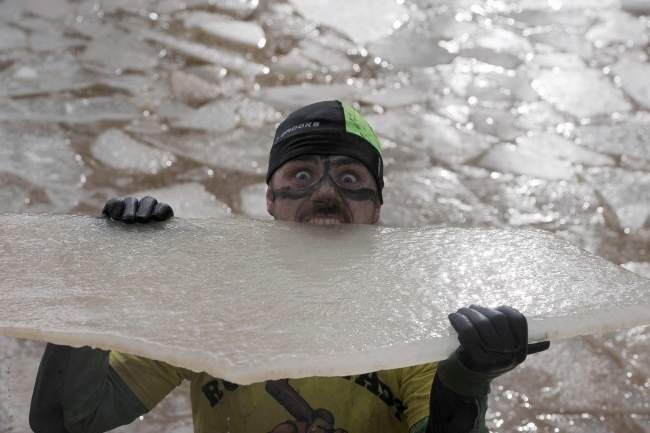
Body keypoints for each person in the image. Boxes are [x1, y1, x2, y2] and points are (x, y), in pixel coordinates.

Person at [30, 100, 548, 433]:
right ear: (271, 201)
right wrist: (99, 283)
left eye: (349, 179)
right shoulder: (211, 303)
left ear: (377, 207)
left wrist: (465, 381)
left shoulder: (416, 318)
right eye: (301, 176)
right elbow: (63, 421)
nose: (324, 193)